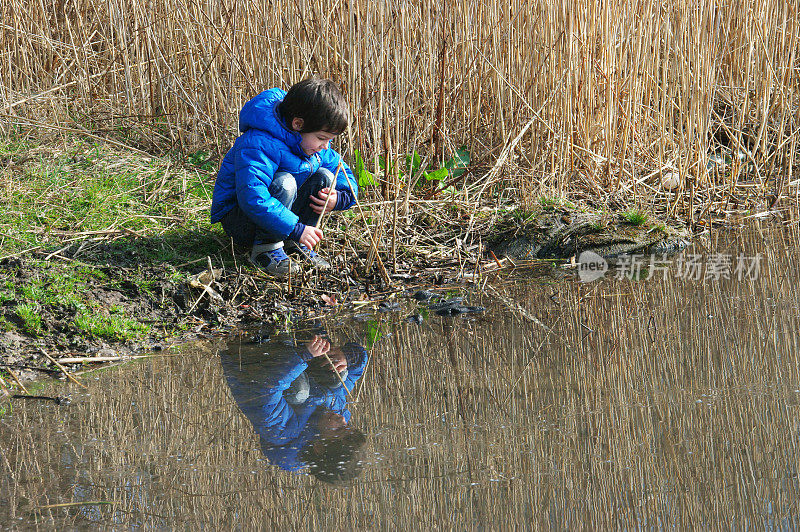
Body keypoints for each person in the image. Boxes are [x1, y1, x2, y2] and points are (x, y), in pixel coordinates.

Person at [210, 79, 358, 277]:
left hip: (281, 218)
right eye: (322, 138)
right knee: (285, 183)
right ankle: (266, 249)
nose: (326, 146)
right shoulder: (258, 142)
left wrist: (339, 198)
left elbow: (342, 173)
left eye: (330, 140)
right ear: (297, 124)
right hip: (242, 221)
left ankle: (294, 243)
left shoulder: (313, 145)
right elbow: (253, 198)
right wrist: (296, 228)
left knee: (325, 177)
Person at [220, 331, 368, 483]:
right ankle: (302, 328)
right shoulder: (336, 411)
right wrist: (348, 357)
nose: (343, 419)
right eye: (348, 425)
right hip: (293, 353)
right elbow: (357, 368)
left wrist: (304, 355)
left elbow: (266, 389)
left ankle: (275, 333)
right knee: (339, 376)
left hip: (247, 357)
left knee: (299, 392)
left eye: (339, 429)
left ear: (318, 446)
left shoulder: (282, 432)